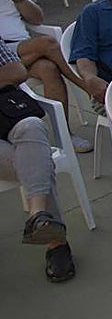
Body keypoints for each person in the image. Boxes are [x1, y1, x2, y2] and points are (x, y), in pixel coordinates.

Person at [0, 44, 77, 281]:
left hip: (6, 115)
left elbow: (16, 70)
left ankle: (39, 215)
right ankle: (55, 241)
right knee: (37, 161)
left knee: (32, 128)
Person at [0, 0, 94, 151]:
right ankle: (88, 87)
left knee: (49, 69)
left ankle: (64, 136)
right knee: (48, 43)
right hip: (3, 54)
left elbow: (37, 18)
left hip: (22, 49)